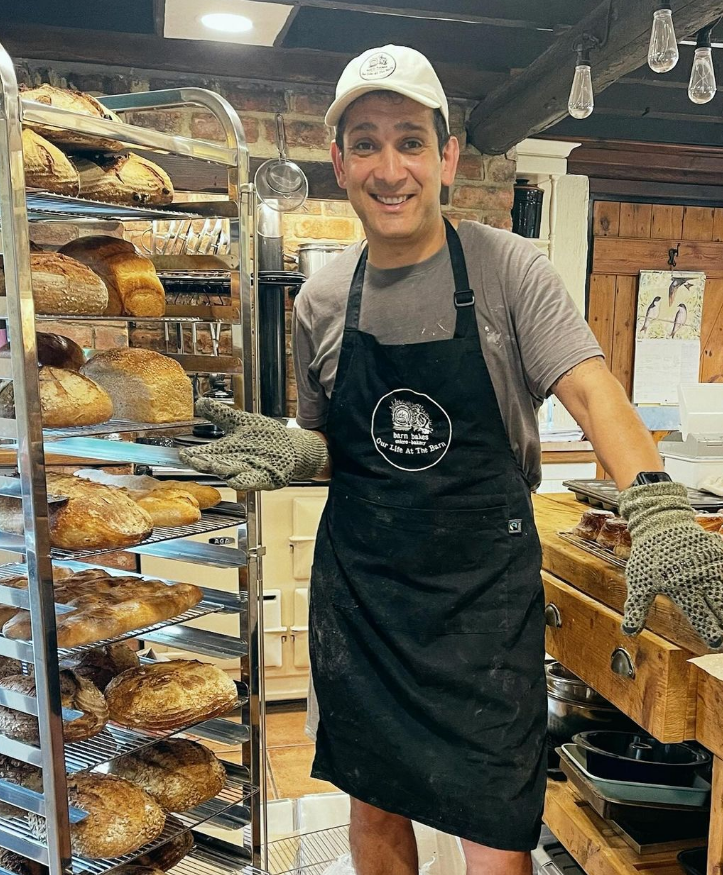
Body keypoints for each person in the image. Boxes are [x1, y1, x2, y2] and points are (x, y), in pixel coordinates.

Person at [180, 44, 723, 875]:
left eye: (408, 140)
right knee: (372, 799)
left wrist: (650, 497)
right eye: (364, 142)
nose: (388, 166)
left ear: (446, 157)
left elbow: (591, 390)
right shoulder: (323, 299)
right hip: (363, 595)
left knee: (494, 823)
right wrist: (300, 450)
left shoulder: (508, 269)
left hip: (479, 597)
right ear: (338, 160)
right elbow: (338, 442)